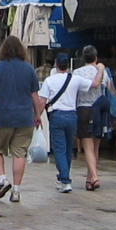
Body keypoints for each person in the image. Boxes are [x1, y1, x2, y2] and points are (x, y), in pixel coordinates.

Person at [0, 35, 39, 203]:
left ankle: (2, 179)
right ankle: (17, 191)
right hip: (24, 117)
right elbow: (34, 95)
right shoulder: (29, 69)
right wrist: (38, 114)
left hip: (1, 116)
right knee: (20, 153)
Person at [38, 53, 90, 194]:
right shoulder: (76, 79)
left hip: (57, 115)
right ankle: (62, 177)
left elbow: (42, 101)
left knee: (59, 149)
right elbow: (95, 84)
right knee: (68, 149)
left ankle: (65, 180)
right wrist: (101, 70)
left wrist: (37, 116)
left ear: (56, 64)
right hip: (72, 116)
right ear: (68, 66)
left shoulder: (49, 80)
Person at [73, 46, 110, 191]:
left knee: (87, 146)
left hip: (83, 108)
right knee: (95, 146)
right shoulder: (102, 72)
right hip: (98, 110)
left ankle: (94, 176)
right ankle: (89, 179)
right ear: (96, 58)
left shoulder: (77, 73)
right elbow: (107, 87)